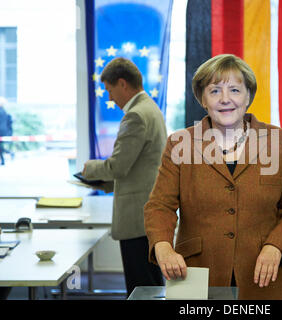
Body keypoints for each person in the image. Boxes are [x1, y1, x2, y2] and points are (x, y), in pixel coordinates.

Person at [144, 54, 282, 300]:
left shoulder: (279, 142)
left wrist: (276, 246)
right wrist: (164, 247)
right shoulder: (180, 144)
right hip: (197, 273)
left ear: (248, 96)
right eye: (214, 91)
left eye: (234, 89)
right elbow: (160, 206)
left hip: (262, 275)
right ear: (202, 99)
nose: (225, 99)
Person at [82, 57, 167, 297]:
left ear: (122, 84)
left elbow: (118, 166)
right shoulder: (150, 108)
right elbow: (139, 166)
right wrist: (107, 182)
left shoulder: (136, 115)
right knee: (150, 286)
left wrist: (90, 169)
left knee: (140, 288)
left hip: (137, 217)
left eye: (109, 90)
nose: (109, 98)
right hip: (148, 214)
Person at [0, 97, 13, 166]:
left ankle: (4, 158)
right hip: (4, 131)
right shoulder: (4, 111)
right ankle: (8, 154)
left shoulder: (1, 111)